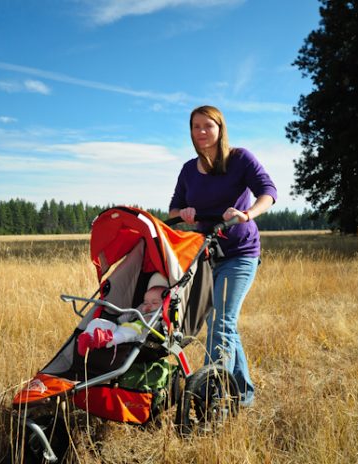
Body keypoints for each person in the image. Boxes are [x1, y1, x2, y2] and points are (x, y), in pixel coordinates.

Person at [168, 105, 277, 407]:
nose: (201, 132)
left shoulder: (240, 159)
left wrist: (247, 213)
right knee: (223, 324)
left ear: (220, 128)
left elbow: (268, 191)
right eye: (195, 126)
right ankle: (244, 397)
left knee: (220, 321)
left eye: (207, 126)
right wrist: (184, 213)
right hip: (206, 254)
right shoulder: (190, 169)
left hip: (240, 253)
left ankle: (210, 398)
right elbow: (174, 208)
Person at [77, 274, 168, 356]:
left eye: (155, 303)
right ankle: (87, 337)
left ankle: (106, 338)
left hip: (138, 333)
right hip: (122, 327)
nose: (148, 305)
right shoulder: (141, 310)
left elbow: (163, 329)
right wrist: (118, 321)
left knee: (127, 332)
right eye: (145, 302)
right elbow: (128, 315)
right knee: (98, 322)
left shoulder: (160, 317)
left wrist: (163, 318)